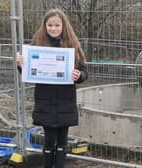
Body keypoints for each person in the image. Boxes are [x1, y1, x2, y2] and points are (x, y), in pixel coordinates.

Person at [17, 8, 88, 168]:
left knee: (62, 142)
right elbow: (28, 72)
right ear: (45, 26)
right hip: (45, 102)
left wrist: (79, 76)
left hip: (66, 102)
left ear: (64, 26)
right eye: (50, 25)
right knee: (48, 142)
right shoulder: (37, 44)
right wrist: (21, 65)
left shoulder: (73, 45)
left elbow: (84, 71)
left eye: (57, 25)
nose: (53, 28)